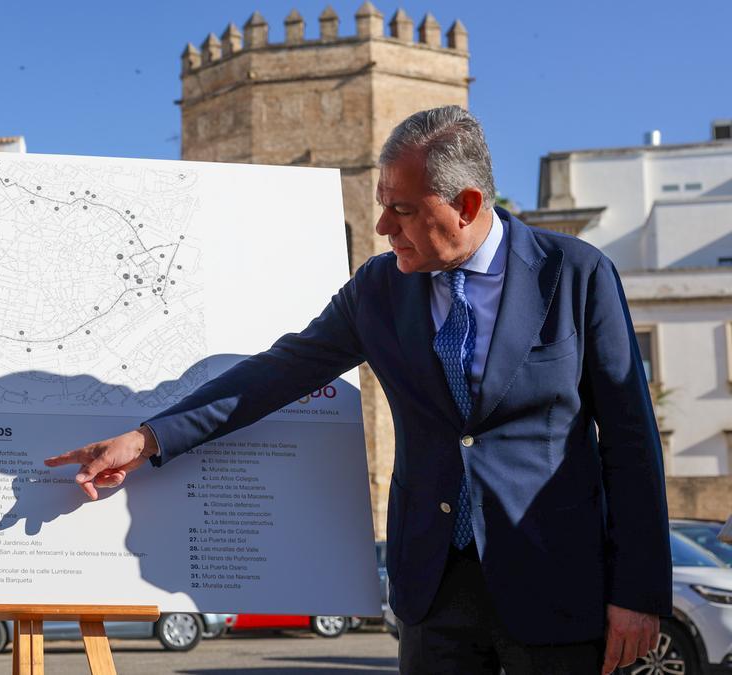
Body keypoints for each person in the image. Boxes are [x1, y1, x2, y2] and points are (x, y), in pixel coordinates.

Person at [47, 106, 671, 675]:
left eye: (400, 209)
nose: (380, 226)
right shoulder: (378, 289)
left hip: (556, 583)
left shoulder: (577, 273)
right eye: (380, 204)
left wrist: (639, 596)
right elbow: (276, 373)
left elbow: (631, 441)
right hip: (433, 588)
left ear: (467, 202)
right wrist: (147, 437)